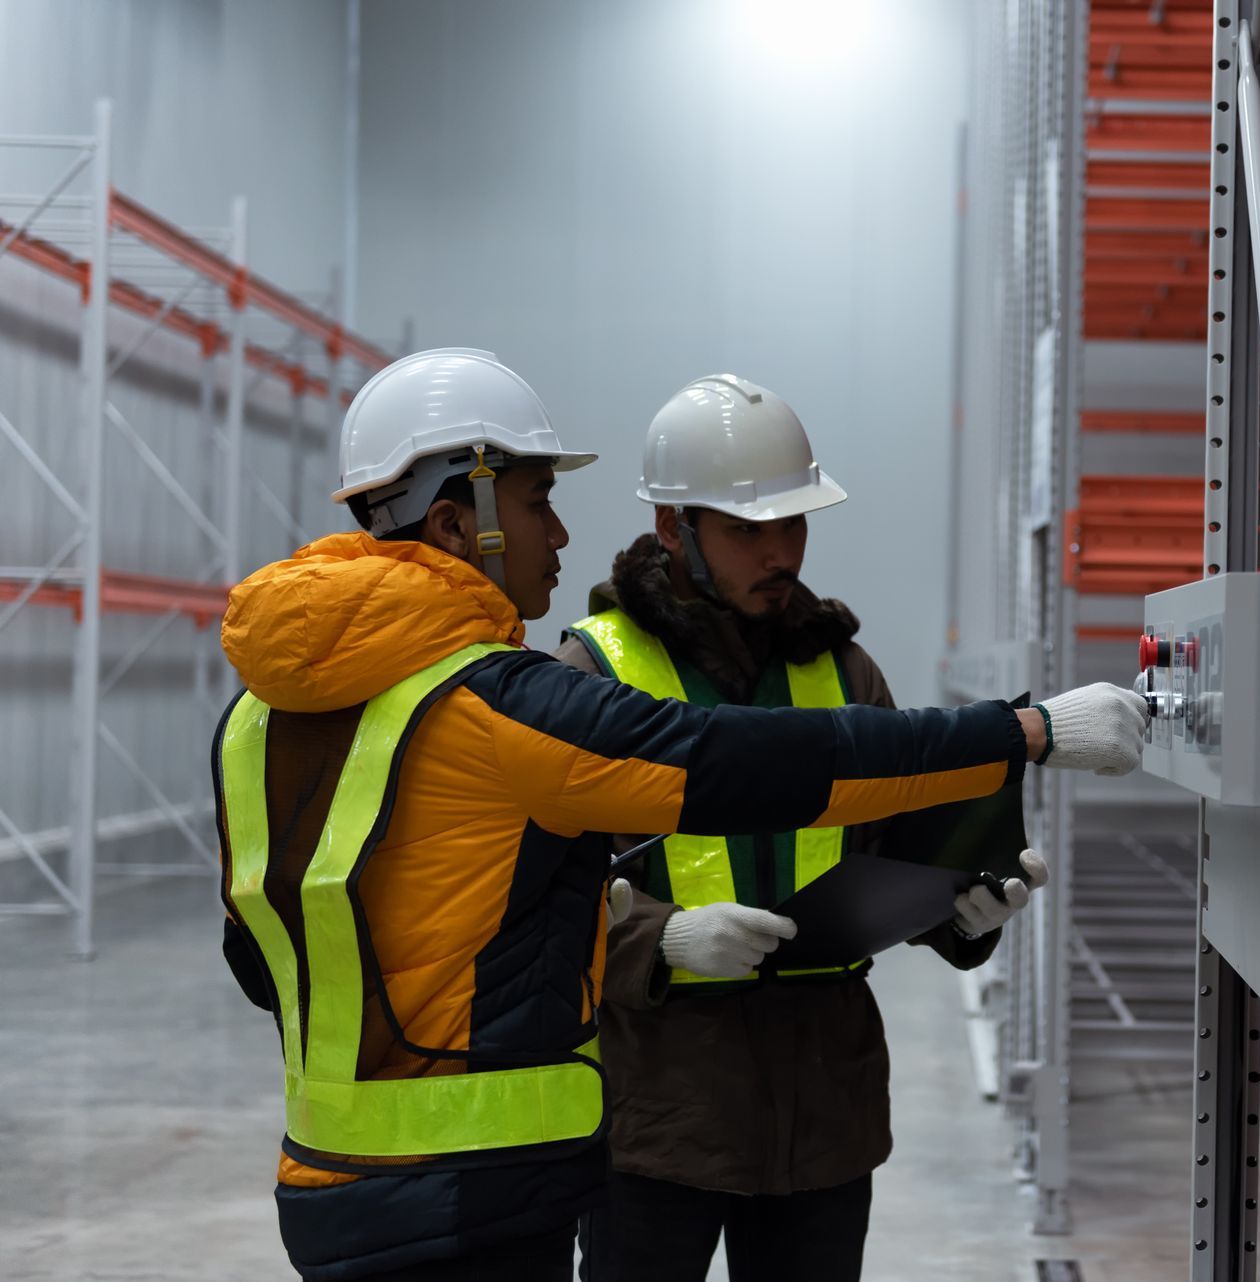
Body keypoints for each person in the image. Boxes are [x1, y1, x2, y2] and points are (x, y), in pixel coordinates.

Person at [213, 349, 1149, 1282]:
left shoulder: (253, 721)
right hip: (533, 1166)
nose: (562, 534)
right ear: (463, 522)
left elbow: (263, 957)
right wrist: (1025, 731)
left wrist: (956, 916)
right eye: (540, 503)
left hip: (348, 1187)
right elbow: (733, 764)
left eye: (794, 521)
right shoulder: (517, 703)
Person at [554, 375, 1045, 1282]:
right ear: (674, 530)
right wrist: (663, 941)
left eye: (795, 524)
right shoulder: (594, 673)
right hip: (659, 1109)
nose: (780, 552)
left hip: (823, 1110)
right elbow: (542, 894)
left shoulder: (845, 671)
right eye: (749, 530)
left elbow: (892, 854)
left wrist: (956, 912)